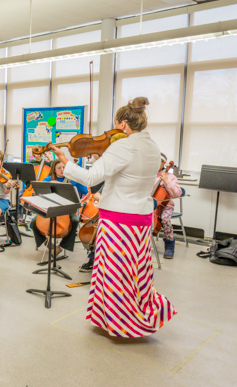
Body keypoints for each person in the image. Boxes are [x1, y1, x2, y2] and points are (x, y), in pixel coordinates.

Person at [50, 97, 176, 338]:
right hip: (140, 218)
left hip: (118, 219)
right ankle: (128, 315)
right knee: (134, 273)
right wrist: (102, 158)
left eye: (116, 125)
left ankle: (119, 323)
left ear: (123, 125)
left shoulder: (123, 145)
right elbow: (126, 173)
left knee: (113, 273)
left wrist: (65, 161)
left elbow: (90, 179)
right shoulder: (151, 146)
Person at [30, 159, 87, 257]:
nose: (62, 170)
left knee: (74, 220)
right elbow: (39, 191)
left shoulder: (72, 179)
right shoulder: (48, 179)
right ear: (54, 170)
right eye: (59, 168)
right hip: (51, 208)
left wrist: (77, 180)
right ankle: (47, 243)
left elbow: (85, 190)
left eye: (64, 167)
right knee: (34, 221)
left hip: (67, 209)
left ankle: (61, 247)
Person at [156, 153, 182, 259]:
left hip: (166, 205)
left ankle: (169, 244)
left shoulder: (171, 177)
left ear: (163, 163)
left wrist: (166, 181)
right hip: (151, 204)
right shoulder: (148, 175)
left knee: (165, 219)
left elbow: (177, 193)